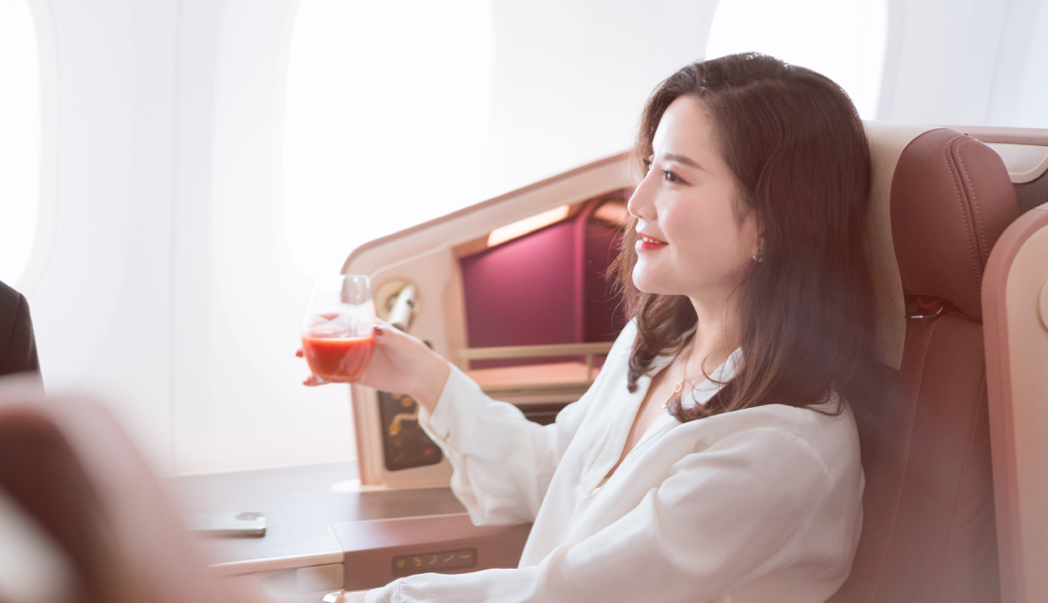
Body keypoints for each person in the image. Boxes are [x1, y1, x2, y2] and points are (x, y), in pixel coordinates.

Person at [305, 52, 879, 603]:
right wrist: (425, 379)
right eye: (649, 167)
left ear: (771, 223)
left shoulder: (781, 451)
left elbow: (577, 594)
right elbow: (555, 476)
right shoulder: (658, 345)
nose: (638, 202)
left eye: (674, 176)